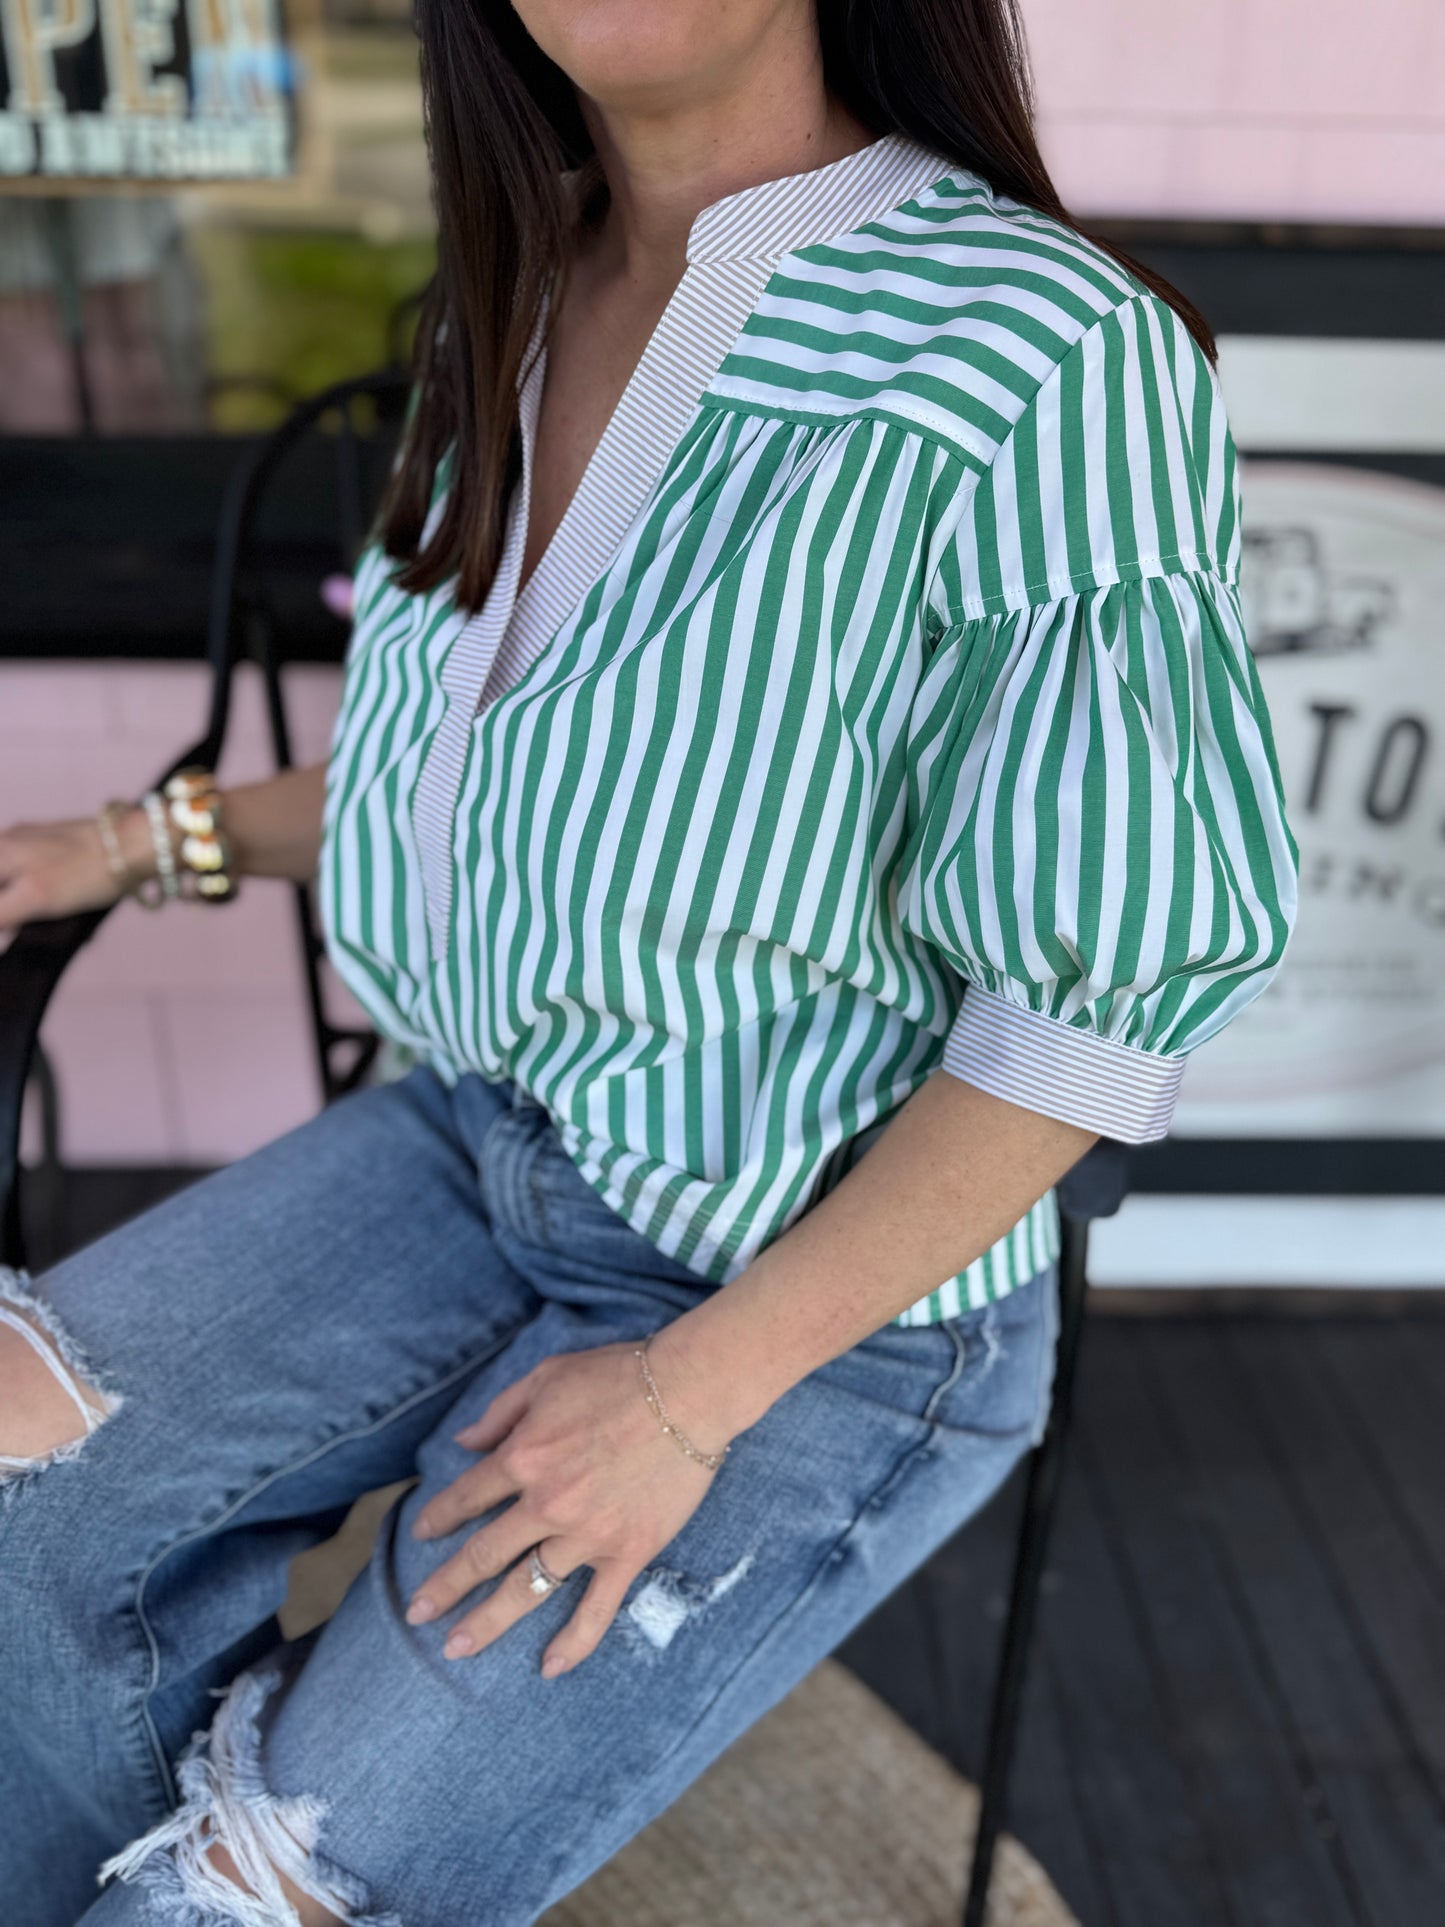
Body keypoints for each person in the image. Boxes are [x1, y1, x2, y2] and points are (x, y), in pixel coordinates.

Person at [0, 2, 1301, 1922]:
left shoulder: (1037, 354)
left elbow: (1097, 1008)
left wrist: (690, 1397)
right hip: (476, 1143)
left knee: (259, 1891)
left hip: (826, 1297)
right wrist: (122, 844)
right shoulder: (514, 288)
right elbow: (481, 774)